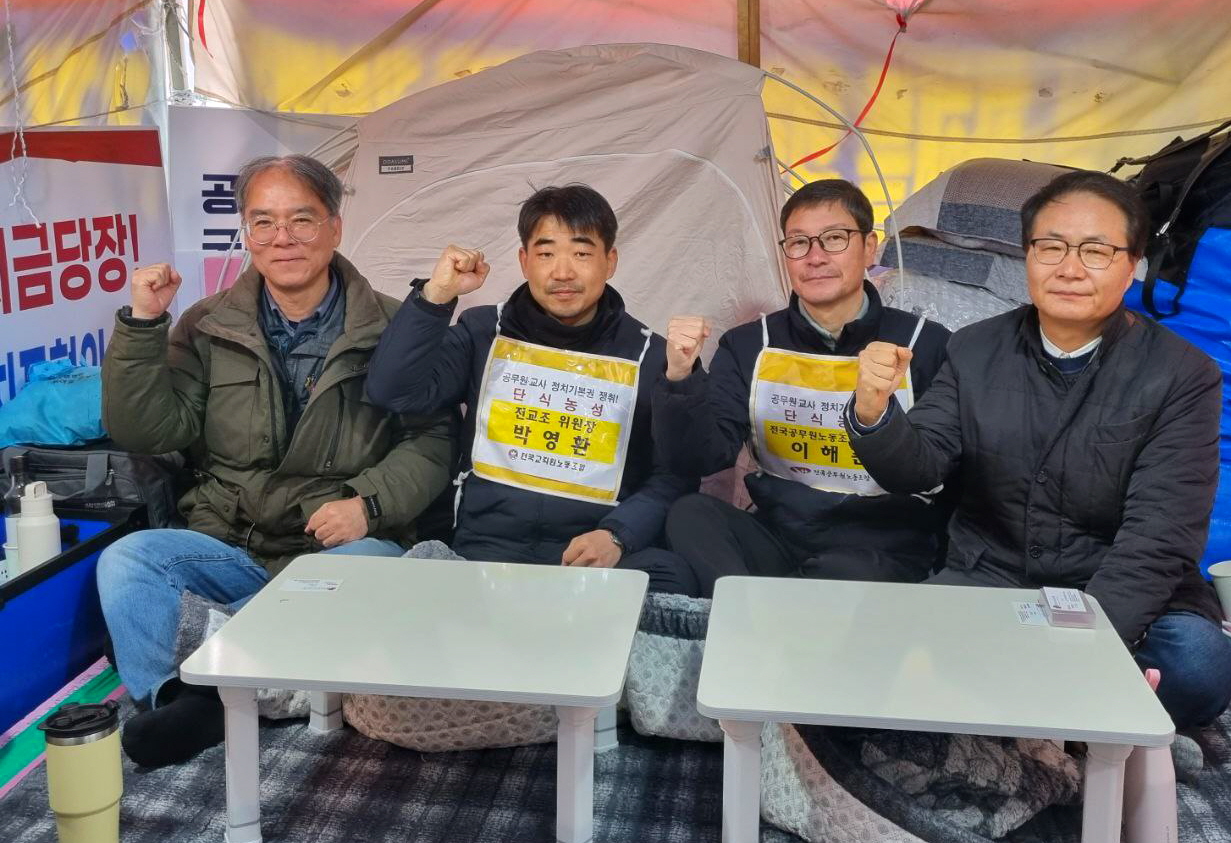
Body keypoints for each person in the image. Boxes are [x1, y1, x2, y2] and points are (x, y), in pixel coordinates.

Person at [846, 170, 1231, 730]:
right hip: (994, 575)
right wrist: (872, 411)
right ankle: (1083, 717)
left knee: (1197, 666)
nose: (1069, 268)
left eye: (1096, 251)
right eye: (1051, 247)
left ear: (1133, 264)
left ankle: (1022, 704)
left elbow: (1159, 538)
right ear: (1027, 256)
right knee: (881, 649)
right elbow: (918, 467)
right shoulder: (975, 348)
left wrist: (1085, 644)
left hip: (1118, 592)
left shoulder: (1182, 375)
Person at [97, 155, 453, 766]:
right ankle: (179, 699)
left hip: (341, 551)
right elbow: (147, 430)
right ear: (247, 233)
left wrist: (368, 505)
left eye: (301, 220)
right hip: (234, 547)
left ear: (335, 227)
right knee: (127, 561)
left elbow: (434, 438)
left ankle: (219, 677)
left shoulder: (396, 325)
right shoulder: (207, 324)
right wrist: (143, 324)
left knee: (372, 570)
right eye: (263, 222)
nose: (282, 238)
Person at [365, 184, 698, 594]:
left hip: (590, 557)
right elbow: (392, 391)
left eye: (581, 253)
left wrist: (617, 535)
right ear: (524, 261)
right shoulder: (482, 332)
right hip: (483, 552)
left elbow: (674, 475)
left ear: (609, 261)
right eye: (546, 254)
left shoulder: (652, 355)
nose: (563, 272)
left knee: (671, 575)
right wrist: (435, 296)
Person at [654, 179, 952, 595]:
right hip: (780, 534)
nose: (815, 257)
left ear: (869, 247)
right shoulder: (748, 344)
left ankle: (752, 611)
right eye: (798, 243)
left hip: (881, 548)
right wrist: (681, 378)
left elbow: (942, 467)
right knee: (691, 514)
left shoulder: (927, 343)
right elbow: (704, 456)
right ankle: (765, 608)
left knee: (852, 574)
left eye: (834, 238)